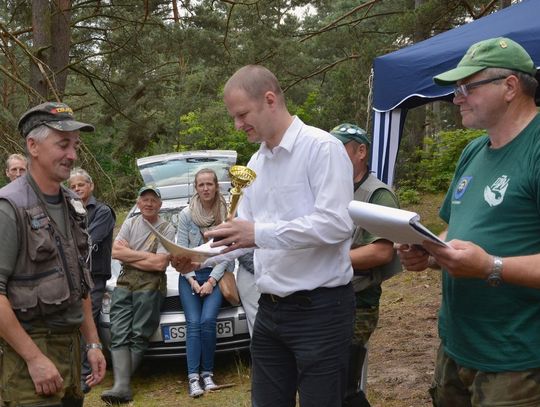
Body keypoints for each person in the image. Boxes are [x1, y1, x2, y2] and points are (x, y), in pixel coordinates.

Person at [398, 37, 540, 406]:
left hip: (516, 362)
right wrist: (429, 251)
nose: (456, 97)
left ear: (510, 86)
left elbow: (486, 259)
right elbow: (456, 227)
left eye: (466, 87)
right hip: (456, 347)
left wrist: (490, 266)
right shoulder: (474, 150)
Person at [205, 65, 355, 407]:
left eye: (242, 114)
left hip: (321, 309)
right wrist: (197, 257)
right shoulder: (256, 162)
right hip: (270, 310)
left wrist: (258, 233)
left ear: (270, 100)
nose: (237, 125)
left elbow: (336, 224)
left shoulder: (322, 148)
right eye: (234, 117)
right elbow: (239, 231)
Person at [0, 101, 106, 407]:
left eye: (75, 145)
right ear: (33, 146)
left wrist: (93, 342)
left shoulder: (73, 203)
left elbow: (80, 283)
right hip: (28, 365)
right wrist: (34, 359)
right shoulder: (10, 208)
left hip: (71, 357)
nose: (72, 155)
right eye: (63, 145)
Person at [329, 123, 401, 407]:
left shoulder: (377, 194)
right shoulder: (333, 188)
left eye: (340, 148)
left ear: (361, 151)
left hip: (359, 301)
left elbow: (383, 252)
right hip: (328, 297)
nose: (332, 154)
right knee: (327, 383)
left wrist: (326, 261)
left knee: (345, 387)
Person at [101, 185, 174, 404]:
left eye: (153, 200)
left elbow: (160, 264)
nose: (149, 203)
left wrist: (130, 255)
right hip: (125, 281)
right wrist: (144, 258)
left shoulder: (166, 228)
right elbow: (116, 252)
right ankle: (121, 386)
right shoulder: (131, 223)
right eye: (145, 200)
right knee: (118, 329)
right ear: (138, 202)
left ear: (160, 204)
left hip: (151, 285)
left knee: (139, 332)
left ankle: (121, 386)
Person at [170, 168, 234, 398]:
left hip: (214, 276)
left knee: (208, 321)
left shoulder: (226, 213)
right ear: (196, 188)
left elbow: (226, 251)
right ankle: (193, 378)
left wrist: (210, 281)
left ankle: (207, 374)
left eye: (209, 184)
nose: (205, 188)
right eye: (201, 185)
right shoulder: (187, 215)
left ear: (216, 186)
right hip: (189, 277)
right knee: (194, 323)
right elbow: (181, 250)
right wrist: (192, 281)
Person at [68, 167, 116, 394]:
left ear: (91, 186)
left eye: (81, 185)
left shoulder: (103, 211)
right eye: (73, 186)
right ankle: (77, 369)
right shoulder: (69, 209)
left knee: (88, 321)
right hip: (73, 275)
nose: (77, 189)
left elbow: (88, 241)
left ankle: (86, 374)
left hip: (94, 276)